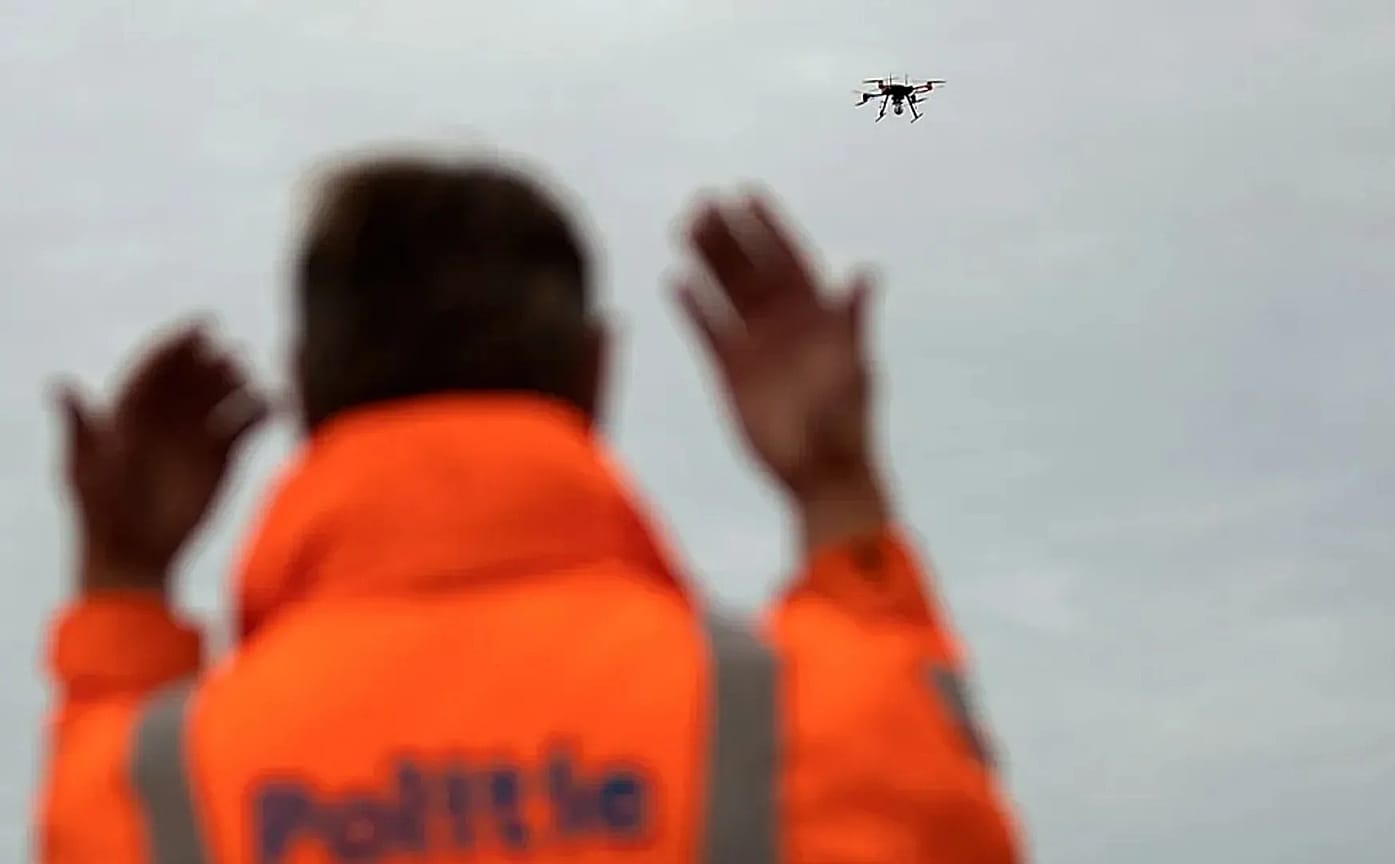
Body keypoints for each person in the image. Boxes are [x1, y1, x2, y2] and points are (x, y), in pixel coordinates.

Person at [36, 153, 1025, 863]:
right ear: (598, 373)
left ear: (300, 387)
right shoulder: (820, 713)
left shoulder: (155, 785)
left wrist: (123, 587)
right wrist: (837, 491)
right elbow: (921, 791)